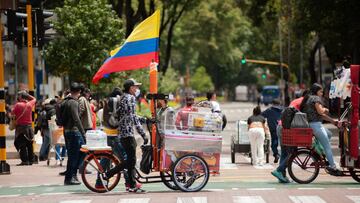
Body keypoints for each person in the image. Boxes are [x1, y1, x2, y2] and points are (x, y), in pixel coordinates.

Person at [104, 79, 148, 193]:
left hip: (122, 133)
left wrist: (144, 119)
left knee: (130, 161)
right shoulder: (131, 98)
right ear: (130, 88)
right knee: (130, 161)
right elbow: (133, 118)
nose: (137, 89)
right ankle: (108, 174)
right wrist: (143, 134)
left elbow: (130, 115)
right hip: (128, 133)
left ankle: (132, 185)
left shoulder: (123, 97)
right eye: (135, 87)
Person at [301, 83, 342, 176]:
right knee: (327, 146)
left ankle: (319, 150)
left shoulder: (309, 98)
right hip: (316, 126)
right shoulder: (315, 98)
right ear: (316, 91)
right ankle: (333, 166)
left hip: (314, 125)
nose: (322, 93)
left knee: (329, 134)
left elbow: (321, 115)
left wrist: (333, 122)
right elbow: (321, 111)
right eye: (321, 91)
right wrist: (325, 109)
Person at [97, 87, 134, 191]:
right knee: (126, 159)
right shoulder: (115, 103)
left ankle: (99, 183)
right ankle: (129, 183)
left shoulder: (104, 107)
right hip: (114, 136)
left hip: (106, 136)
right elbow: (119, 118)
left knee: (105, 159)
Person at [271, 89, 310, 183]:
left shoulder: (296, 100)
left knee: (284, 152)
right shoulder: (304, 102)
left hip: (281, 127)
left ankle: (282, 176)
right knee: (292, 152)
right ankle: (279, 170)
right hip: (287, 128)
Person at [62, 82, 86, 185]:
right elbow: (76, 119)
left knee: (72, 155)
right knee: (80, 153)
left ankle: (70, 177)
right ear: (79, 92)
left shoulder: (65, 101)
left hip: (67, 131)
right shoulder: (73, 102)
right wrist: (83, 133)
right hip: (74, 131)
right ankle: (71, 176)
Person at [12, 90, 36, 166]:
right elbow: (34, 99)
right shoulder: (30, 104)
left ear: (20, 97)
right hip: (29, 127)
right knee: (29, 144)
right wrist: (27, 95)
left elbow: (12, 113)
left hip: (21, 128)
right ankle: (31, 160)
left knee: (22, 145)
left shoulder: (17, 105)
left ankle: (25, 161)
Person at [261, 99, 283, 163]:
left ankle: (276, 154)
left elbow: (261, 115)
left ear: (272, 104)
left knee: (274, 143)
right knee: (283, 143)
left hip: (274, 129)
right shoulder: (283, 110)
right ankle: (283, 157)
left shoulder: (269, 110)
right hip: (283, 128)